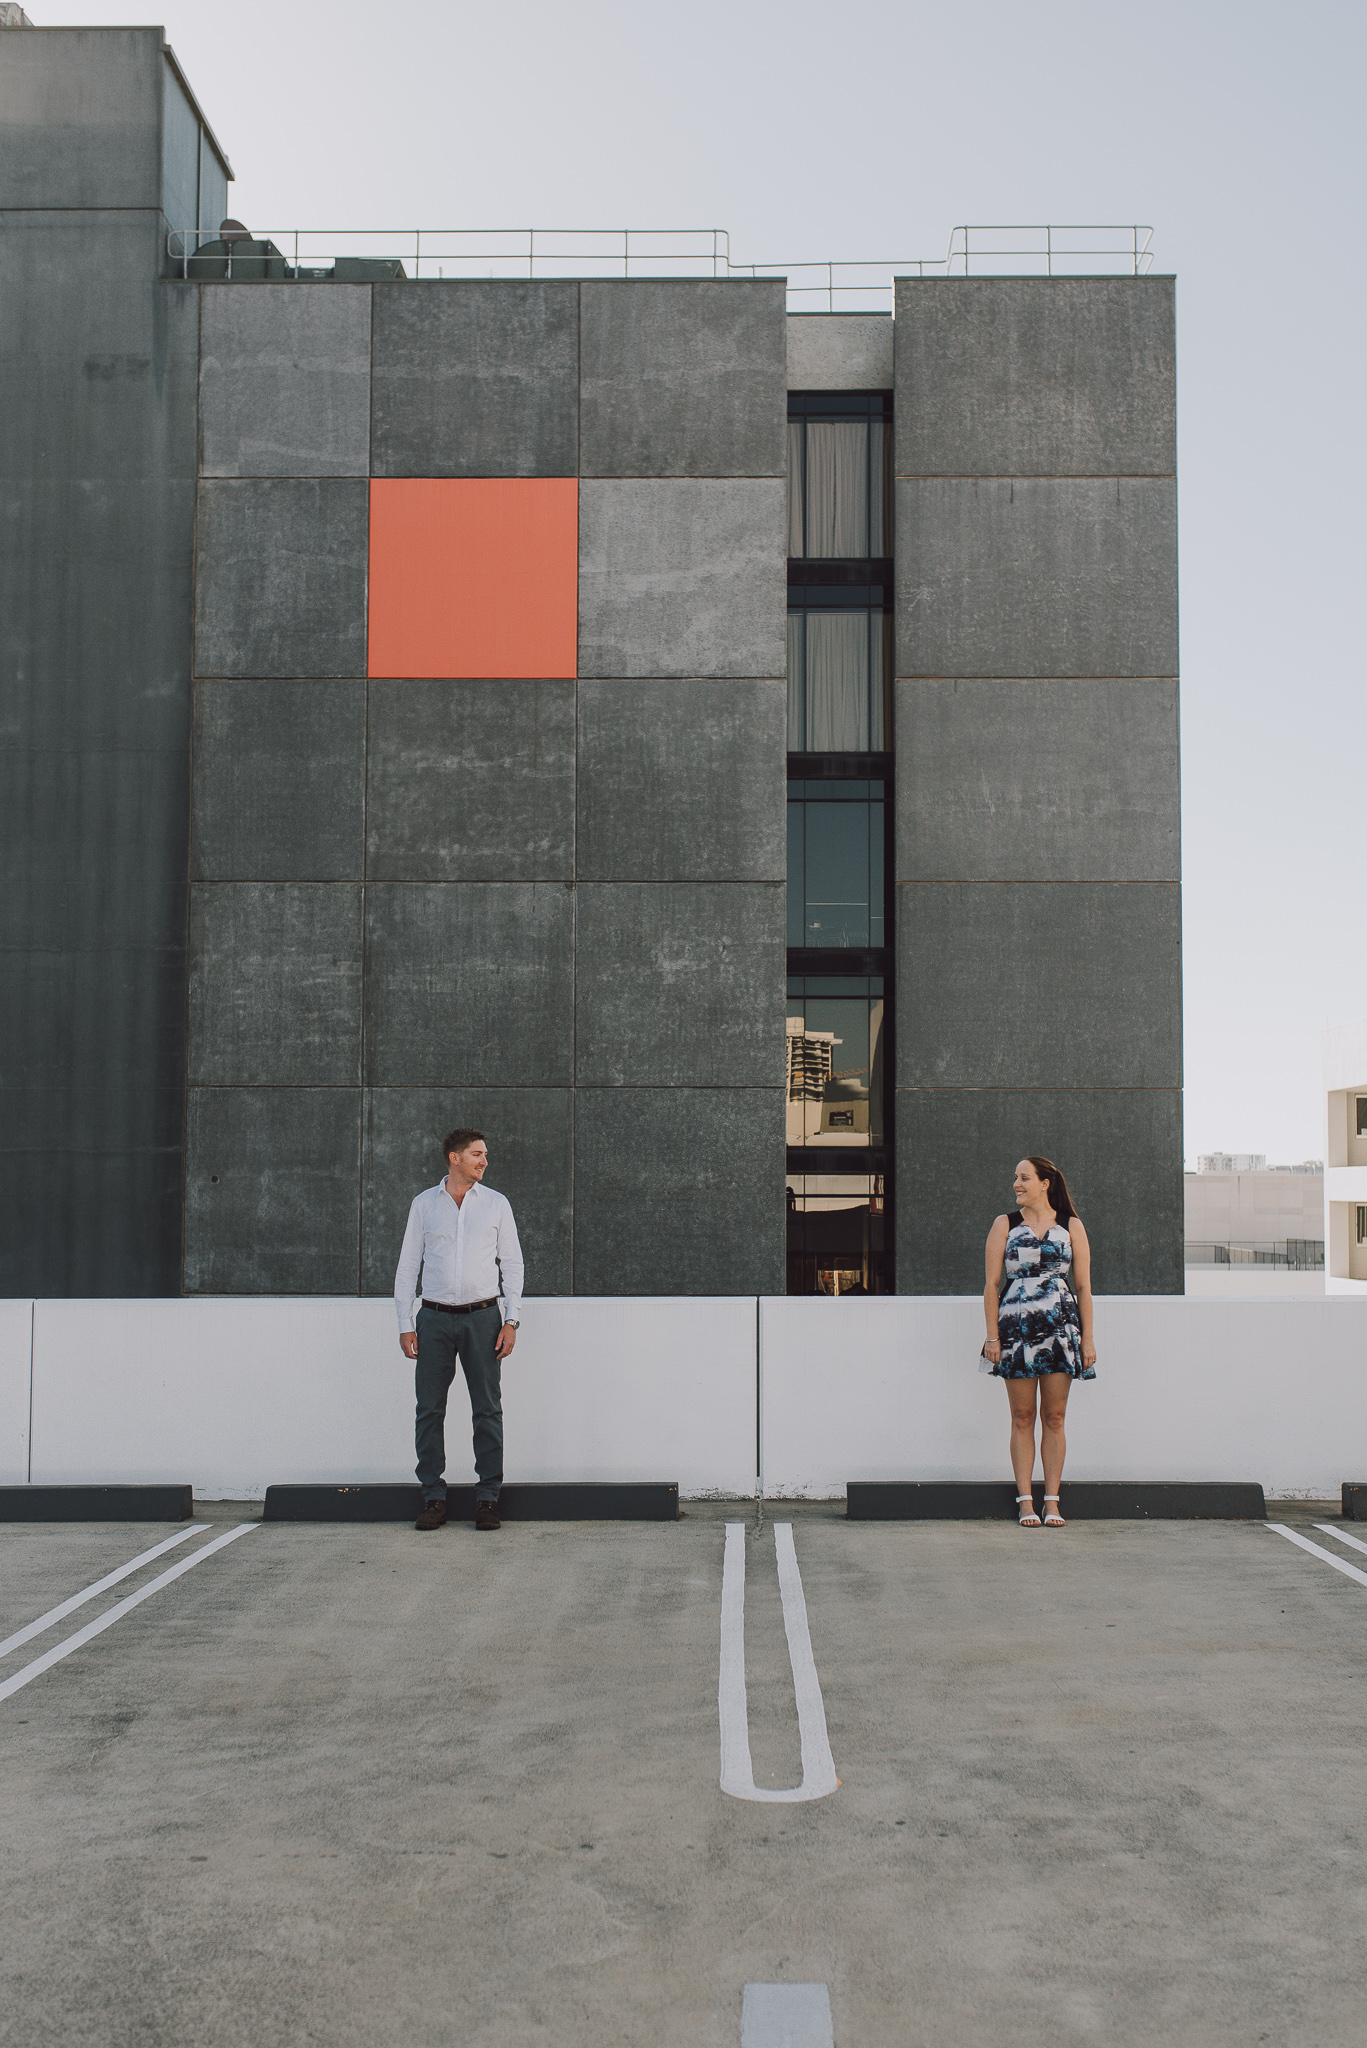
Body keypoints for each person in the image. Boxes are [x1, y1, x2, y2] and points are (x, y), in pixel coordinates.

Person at [393, 1128, 524, 1533]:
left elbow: (512, 1264)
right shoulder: (424, 1205)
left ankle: (488, 1498)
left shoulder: (497, 1205)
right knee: (429, 1409)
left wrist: (511, 1319)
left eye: (484, 1154)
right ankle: (433, 1496)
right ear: (454, 1158)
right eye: (477, 1154)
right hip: (432, 1319)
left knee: (487, 1409)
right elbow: (407, 1266)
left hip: (484, 1318)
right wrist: (405, 1324)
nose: (485, 1161)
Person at [982, 1156, 1096, 1529]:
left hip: (1061, 1329)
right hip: (1015, 1329)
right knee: (1022, 1416)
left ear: (1045, 1183)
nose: (1016, 1183)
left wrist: (1088, 1340)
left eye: (1024, 1177)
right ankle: (1025, 1501)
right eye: (1015, 1177)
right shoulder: (1006, 1224)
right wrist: (992, 1337)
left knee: (1054, 1416)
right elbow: (990, 1286)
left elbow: (1083, 1286)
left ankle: (1052, 1501)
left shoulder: (1070, 1226)